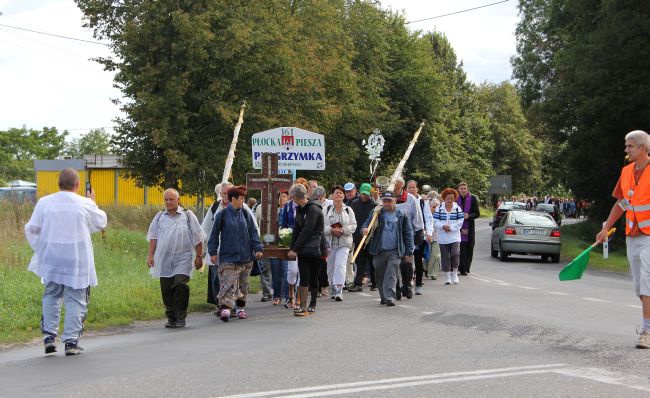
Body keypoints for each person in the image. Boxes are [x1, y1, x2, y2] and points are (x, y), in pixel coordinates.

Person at [25, 168, 107, 356]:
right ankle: (71, 342)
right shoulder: (84, 203)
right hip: (77, 257)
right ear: (77, 185)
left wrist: (42, 249)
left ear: (58, 184)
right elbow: (101, 222)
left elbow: (32, 229)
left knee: (52, 294)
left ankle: (49, 338)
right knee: (76, 297)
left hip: (53, 256)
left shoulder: (44, 203)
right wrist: (93, 202)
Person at [596, 130, 650, 349]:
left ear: (643, 148)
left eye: (630, 146)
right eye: (626, 146)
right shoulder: (627, 171)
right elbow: (621, 203)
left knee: (647, 280)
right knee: (640, 287)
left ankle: (646, 331)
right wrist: (606, 227)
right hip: (632, 235)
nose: (626, 150)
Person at [147, 188, 205, 328]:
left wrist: (199, 256)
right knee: (166, 288)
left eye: (171, 199)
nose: (168, 202)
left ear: (178, 200)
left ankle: (180, 316)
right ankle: (171, 316)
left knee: (180, 284)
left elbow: (198, 237)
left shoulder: (187, 215)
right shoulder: (160, 216)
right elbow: (153, 237)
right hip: (164, 259)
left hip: (183, 257)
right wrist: (150, 256)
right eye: (166, 199)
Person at [208, 185, 264, 322]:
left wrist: (258, 248)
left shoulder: (245, 213)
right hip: (228, 257)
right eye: (241, 198)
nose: (243, 201)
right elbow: (213, 235)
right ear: (233, 199)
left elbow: (253, 233)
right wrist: (212, 252)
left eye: (244, 198)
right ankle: (226, 310)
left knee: (244, 285)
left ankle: (240, 309)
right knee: (228, 283)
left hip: (246, 257)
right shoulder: (221, 215)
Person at [362, 191, 414, 306]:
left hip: (395, 251)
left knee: (391, 274)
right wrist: (364, 230)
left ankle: (390, 297)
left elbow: (408, 234)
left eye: (389, 201)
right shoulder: (376, 213)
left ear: (395, 200)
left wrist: (409, 251)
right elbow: (366, 225)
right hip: (378, 250)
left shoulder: (401, 214)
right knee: (379, 276)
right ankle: (384, 296)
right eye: (384, 201)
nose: (386, 203)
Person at [288, 183, 325, 316]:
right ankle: (303, 306)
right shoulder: (300, 209)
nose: (291, 199)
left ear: (296, 197)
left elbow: (307, 230)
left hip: (317, 248)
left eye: (292, 197)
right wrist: (292, 248)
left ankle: (312, 303)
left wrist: (296, 248)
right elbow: (297, 230)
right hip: (304, 249)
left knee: (313, 277)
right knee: (303, 276)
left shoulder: (314, 209)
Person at [323, 185, 357, 301]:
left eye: (341, 193)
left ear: (343, 196)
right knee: (331, 266)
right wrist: (331, 230)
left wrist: (342, 230)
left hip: (344, 242)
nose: (338, 195)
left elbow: (353, 225)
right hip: (329, 243)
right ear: (332, 196)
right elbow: (320, 226)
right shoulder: (326, 209)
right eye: (336, 193)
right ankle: (333, 286)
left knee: (340, 264)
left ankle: (339, 289)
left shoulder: (348, 210)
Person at [393, 177, 424, 299]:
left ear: (401, 184)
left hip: (407, 236)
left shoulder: (410, 199)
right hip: (392, 236)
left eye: (397, 183)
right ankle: (395, 289)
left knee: (407, 263)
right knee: (393, 264)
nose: (395, 185)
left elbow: (418, 219)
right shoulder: (387, 197)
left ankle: (407, 286)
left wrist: (419, 234)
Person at [406, 180, 434, 295]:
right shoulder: (404, 200)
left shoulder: (422, 202)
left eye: (413, 187)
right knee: (408, 260)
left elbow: (428, 218)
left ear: (417, 189)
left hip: (419, 235)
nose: (412, 189)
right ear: (406, 189)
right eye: (409, 187)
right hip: (407, 235)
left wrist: (429, 232)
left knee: (418, 260)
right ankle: (408, 281)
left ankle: (418, 284)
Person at [350, 183, 377, 292]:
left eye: (366, 194)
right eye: (362, 194)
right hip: (358, 237)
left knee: (372, 262)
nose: (364, 196)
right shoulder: (354, 204)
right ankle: (358, 284)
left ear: (370, 194)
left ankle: (375, 283)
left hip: (370, 238)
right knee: (359, 262)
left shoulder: (374, 205)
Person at [433, 188, 464, 285]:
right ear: (444, 198)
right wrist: (443, 226)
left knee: (455, 254)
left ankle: (454, 273)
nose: (450, 200)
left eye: (451, 198)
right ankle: (447, 277)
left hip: (454, 236)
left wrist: (451, 228)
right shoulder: (439, 208)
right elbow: (435, 221)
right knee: (445, 257)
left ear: (454, 198)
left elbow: (460, 221)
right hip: (442, 236)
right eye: (448, 198)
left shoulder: (457, 208)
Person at [456, 182, 480, 275]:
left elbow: (477, 213)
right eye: (461, 188)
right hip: (458, 228)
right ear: (458, 189)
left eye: (465, 188)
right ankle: (462, 268)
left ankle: (466, 267)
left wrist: (468, 216)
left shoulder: (473, 199)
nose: (463, 190)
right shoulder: (455, 199)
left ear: (467, 189)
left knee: (469, 248)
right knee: (461, 248)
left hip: (469, 227)